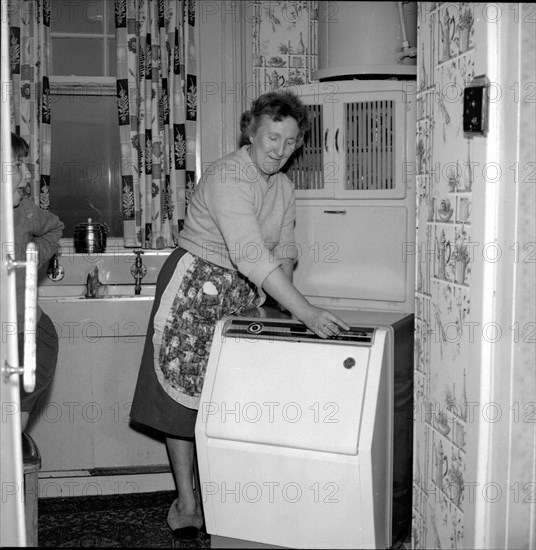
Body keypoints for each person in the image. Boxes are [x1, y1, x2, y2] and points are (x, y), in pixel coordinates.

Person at [130, 91, 350, 542]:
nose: (280, 149)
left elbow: (283, 250)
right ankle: (189, 504)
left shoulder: (285, 187)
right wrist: (304, 311)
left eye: (291, 142)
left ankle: (224, 499)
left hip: (242, 294)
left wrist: (283, 307)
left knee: (228, 402)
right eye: (273, 137)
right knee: (182, 399)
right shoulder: (229, 174)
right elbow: (250, 252)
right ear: (251, 131)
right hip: (195, 286)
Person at [10, 132, 64, 432]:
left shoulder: (26, 211)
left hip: (32, 336)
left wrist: (29, 258)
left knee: (12, 429)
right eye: (17, 166)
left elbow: (55, 229)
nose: (28, 174)